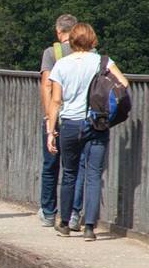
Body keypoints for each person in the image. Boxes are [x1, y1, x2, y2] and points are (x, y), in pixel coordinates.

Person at [45, 22, 129, 241]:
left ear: (72, 40)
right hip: (96, 123)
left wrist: (50, 131)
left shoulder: (62, 64)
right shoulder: (103, 62)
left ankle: (64, 223)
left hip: (70, 124)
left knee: (69, 173)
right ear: (92, 39)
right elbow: (124, 83)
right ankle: (90, 227)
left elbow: (56, 100)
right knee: (93, 175)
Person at [38, 14, 78, 227]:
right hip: (80, 117)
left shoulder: (52, 53)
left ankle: (48, 212)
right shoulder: (88, 53)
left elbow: (46, 85)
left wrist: (48, 118)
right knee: (75, 168)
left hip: (57, 114)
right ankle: (73, 214)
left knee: (50, 165)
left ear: (58, 31)